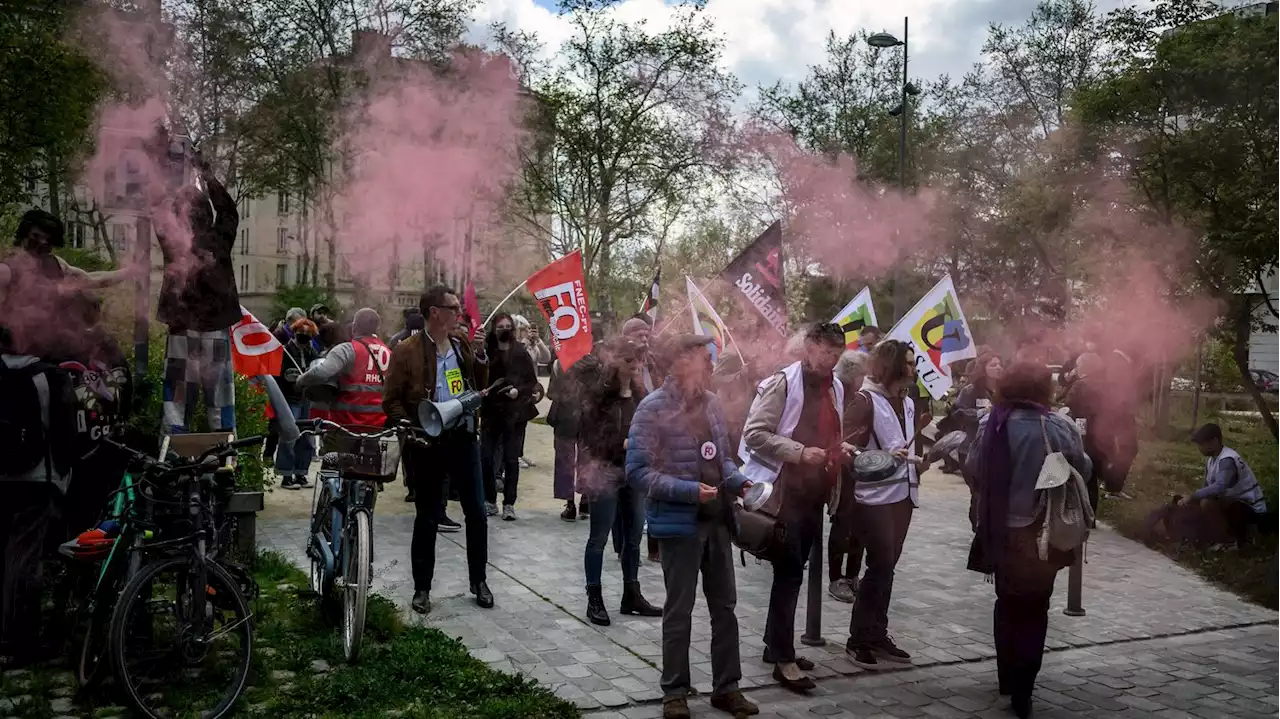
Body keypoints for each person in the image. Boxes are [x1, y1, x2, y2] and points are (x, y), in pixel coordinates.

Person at [627, 334, 758, 719]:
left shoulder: (713, 404)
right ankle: (674, 693)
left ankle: (727, 688)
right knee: (678, 611)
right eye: (704, 357)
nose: (711, 364)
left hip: (718, 521)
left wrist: (740, 482)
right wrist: (687, 491)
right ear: (680, 362)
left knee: (725, 609)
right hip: (679, 526)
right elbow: (636, 472)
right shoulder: (651, 409)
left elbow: (724, 460)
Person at [964, 361, 1091, 719]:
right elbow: (1082, 468)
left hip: (1001, 530)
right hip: (1042, 532)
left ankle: (1007, 678)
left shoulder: (992, 423)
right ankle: (1024, 689)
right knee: (1036, 608)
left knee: (1006, 602)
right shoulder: (1058, 425)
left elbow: (973, 467)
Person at [740, 322, 847, 692]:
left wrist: (839, 449)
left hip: (814, 493)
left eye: (838, 354)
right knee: (789, 575)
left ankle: (776, 645)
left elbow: (832, 431)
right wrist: (800, 452)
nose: (832, 360)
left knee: (793, 571)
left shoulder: (837, 387)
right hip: (785, 492)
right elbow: (753, 434)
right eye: (827, 352)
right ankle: (783, 658)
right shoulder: (783, 383)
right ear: (810, 346)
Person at [383, 285, 491, 615]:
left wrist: (481, 355)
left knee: (477, 512)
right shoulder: (406, 350)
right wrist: (415, 425)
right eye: (453, 308)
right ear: (435, 312)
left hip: (462, 437)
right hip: (426, 442)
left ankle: (479, 581)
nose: (459, 313)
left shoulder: (459, 345)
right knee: (427, 517)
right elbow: (390, 401)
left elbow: (477, 381)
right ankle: (422, 588)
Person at [843, 339, 930, 671]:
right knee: (879, 566)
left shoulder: (906, 403)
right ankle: (858, 639)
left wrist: (917, 462)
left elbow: (901, 448)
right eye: (908, 363)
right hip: (874, 498)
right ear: (891, 365)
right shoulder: (865, 401)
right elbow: (843, 449)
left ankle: (877, 634)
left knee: (887, 568)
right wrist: (881, 458)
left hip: (903, 496)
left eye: (913, 363)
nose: (913, 369)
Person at [154, 154, 242, 434]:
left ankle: (172, 456)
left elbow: (159, 212)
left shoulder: (173, 242)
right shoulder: (219, 239)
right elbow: (228, 211)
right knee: (220, 398)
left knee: (176, 400)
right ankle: (224, 457)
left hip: (182, 328)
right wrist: (207, 175)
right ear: (207, 214)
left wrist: (167, 175)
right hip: (214, 328)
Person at [579, 337, 662, 626]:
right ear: (616, 362)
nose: (637, 365)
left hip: (633, 473)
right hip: (604, 471)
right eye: (630, 360)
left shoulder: (641, 394)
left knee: (634, 537)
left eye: (639, 360)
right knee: (599, 538)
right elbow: (589, 436)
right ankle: (594, 598)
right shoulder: (599, 395)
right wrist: (623, 444)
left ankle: (631, 594)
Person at [0, 210, 134, 359]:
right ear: (24, 234)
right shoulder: (6, 271)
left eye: (48, 239)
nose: (42, 243)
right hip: (18, 355)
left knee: (105, 347)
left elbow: (92, 279)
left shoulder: (57, 265)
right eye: (36, 236)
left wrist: (131, 271)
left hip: (56, 348)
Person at [480, 313, 539, 520]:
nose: (504, 329)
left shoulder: (521, 353)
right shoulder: (487, 351)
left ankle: (509, 503)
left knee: (511, 459)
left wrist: (518, 391)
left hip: (514, 414)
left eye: (507, 326)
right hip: (490, 412)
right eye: (500, 326)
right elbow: (477, 375)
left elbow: (531, 382)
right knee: (486, 458)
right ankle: (489, 500)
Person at [1182, 423, 1268, 548]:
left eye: (1201, 444)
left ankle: (1228, 542)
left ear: (1214, 442)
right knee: (1198, 503)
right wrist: (1192, 499)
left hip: (1250, 508)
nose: (1199, 448)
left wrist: (1193, 496)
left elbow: (1219, 487)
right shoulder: (1212, 460)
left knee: (1207, 503)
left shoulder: (1227, 460)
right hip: (1234, 504)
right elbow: (1206, 488)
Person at [829, 349, 869, 604]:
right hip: (843, 468)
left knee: (860, 524)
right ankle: (837, 578)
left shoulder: (858, 395)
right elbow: (842, 433)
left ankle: (852, 575)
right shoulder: (839, 394)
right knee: (843, 522)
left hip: (860, 466)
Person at [275, 318, 319, 489]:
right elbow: (278, 376)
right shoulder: (285, 351)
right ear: (295, 333)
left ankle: (301, 473)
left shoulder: (311, 352)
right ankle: (286, 475)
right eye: (302, 335)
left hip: (305, 399)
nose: (305, 339)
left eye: (308, 336)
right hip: (290, 400)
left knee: (306, 436)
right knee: (289, 436)